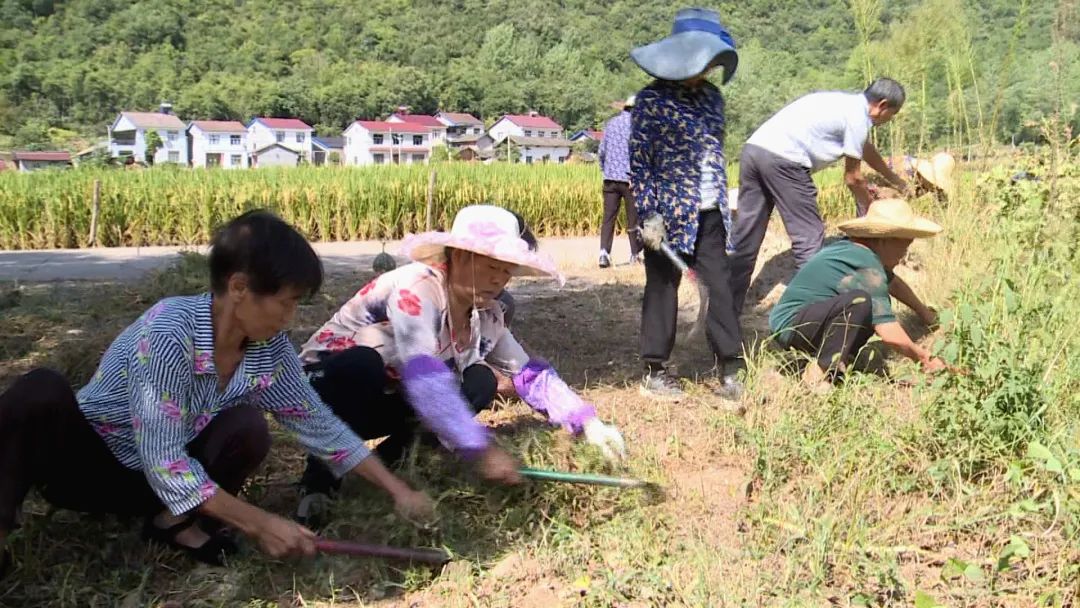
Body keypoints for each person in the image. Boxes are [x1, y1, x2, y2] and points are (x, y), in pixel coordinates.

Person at [0, 211, 433, 576]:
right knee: (40, 389)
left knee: (246, 426)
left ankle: (172, 522)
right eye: (286, 301)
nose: (291, 316)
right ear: (239, 288)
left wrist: (398, 490)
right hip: (90, 465)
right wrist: (259, 522)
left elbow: (318, 424)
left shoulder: (269, 349)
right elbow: (164, 462)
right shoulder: (169, 333)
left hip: (159, 481)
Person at [294, 205, 627, 522]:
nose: (499, 280)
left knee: (480, 382)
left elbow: (529, 375)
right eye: (491, 267)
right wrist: (479, 449)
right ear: (460, 257)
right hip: (322, 392)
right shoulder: (418, 287)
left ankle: (383, 467)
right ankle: (319, 483)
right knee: (361, 366)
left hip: (386, 397)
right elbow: (423, 375)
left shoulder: (487, 314)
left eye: (506, 272)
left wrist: (587, 422)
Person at [628, 7, 743, 401]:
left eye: (711, 64)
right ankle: (655, 371)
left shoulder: (713, 99)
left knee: (718, 287)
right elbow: (640, 163)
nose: (706, 72)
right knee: (662, 288)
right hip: (668, 213)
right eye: (702, 63)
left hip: (710, 211)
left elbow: (716, 153)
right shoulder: (650, 102)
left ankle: (731, 369)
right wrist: (648, 214)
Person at [728, 78, 911, 317]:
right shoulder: (859, 118)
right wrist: (870, 208)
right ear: (882, 105)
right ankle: (813, 315)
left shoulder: (841, 103)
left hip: (754, 151)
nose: (889, 121)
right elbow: (853, 178)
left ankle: (724, 312)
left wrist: (896, 181)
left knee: (746, 238)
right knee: (809, 238)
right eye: (892, 115)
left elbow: (867, 150)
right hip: (786, 160)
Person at [768, 198, 945, 391]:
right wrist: (925, 359)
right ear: (885, 239)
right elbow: (888, 332)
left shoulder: (859, 251)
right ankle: (818, 374)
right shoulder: (863, 260)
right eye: (904, 245)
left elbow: (893, 284)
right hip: (791, 324)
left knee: (866, 307)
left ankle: (838, 362)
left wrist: (925, 314)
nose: (904, 253)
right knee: (860, 303)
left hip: (808, 321)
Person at [597, 94, 643, 268]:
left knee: (609, 217)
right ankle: (634, 254)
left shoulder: (611, 124)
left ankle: (604, 254)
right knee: (633, 219)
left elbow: (602, 151)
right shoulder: (637, 127)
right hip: (630, 180)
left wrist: (605, 170)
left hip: (610, 179)